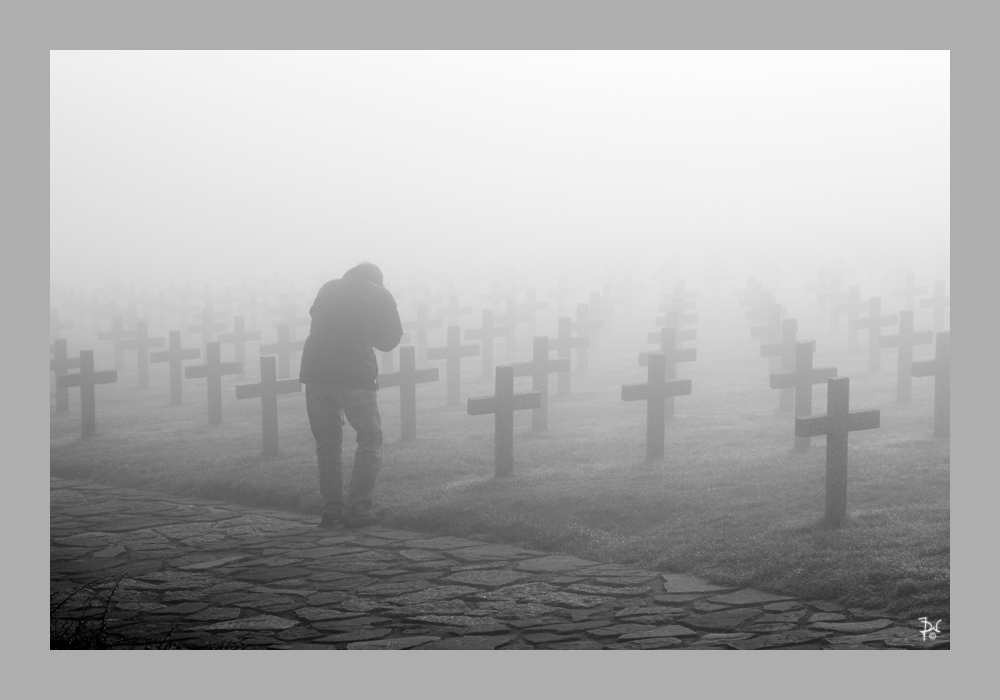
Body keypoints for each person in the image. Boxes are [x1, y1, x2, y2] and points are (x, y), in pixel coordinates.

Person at [299, 262, 403, 527]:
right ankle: (357, 508)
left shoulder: (328, 287)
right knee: (370, 438)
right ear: (376, 280)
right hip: (356, 374)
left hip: (316, 373)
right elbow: (390, 341)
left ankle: (332, 509)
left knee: (327, 443)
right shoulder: (380, 293)